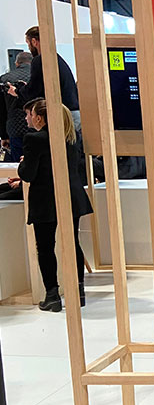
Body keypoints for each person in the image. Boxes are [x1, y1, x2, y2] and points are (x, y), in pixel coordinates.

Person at [17, 98, 93, 312]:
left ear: (39, 118)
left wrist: (23, 163)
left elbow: (28, 174)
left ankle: (52, 295)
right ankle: (78, 291)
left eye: (31, 114)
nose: (28, 118)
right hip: (72, 196)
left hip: (45, 200)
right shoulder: (70, 136)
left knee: (45, 247)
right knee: (73, 242)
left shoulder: (34, 139)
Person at [7, 27, 81, 132]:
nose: (29, 48)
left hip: (62, 115)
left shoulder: (40, 60)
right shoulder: (57, 58)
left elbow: (34, 90)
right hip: (72, 113)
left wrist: (17, 91)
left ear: (34, 41)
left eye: (28, 43)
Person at [1, 50, 33, 162]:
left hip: (15, 128)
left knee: (18, 165)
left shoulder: (4, 79)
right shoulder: (38, 76)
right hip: (37, 126)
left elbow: (1, 110)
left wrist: (4, 135)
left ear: (16, 63)